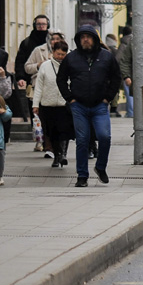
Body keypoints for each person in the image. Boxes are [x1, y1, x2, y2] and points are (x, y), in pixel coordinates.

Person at [56, 24, 120, 187]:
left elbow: (115, 78)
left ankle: (100, 167)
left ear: (95, 39)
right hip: (79, 106)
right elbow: (61, 79)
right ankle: (82, 176)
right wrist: (70, 98)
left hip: (100, 105)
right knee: (82, 140)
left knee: (104, 137)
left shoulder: (106, 57)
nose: (85, 39)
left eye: (88, 36)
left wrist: (108, 98)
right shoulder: (71, 58)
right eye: (82, 37)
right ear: (78, 40)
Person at [31, 40, 73, 168]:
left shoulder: (69, 66)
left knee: (64, 131)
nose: (60, 56)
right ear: (53, 52)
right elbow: (39, 86)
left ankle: (63, 154)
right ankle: (57, 155)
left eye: (63, 54)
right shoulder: (45, 66)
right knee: (51, 132)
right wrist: (35, 104)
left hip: (63, 104)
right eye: (58, 54)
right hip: (47, 104)